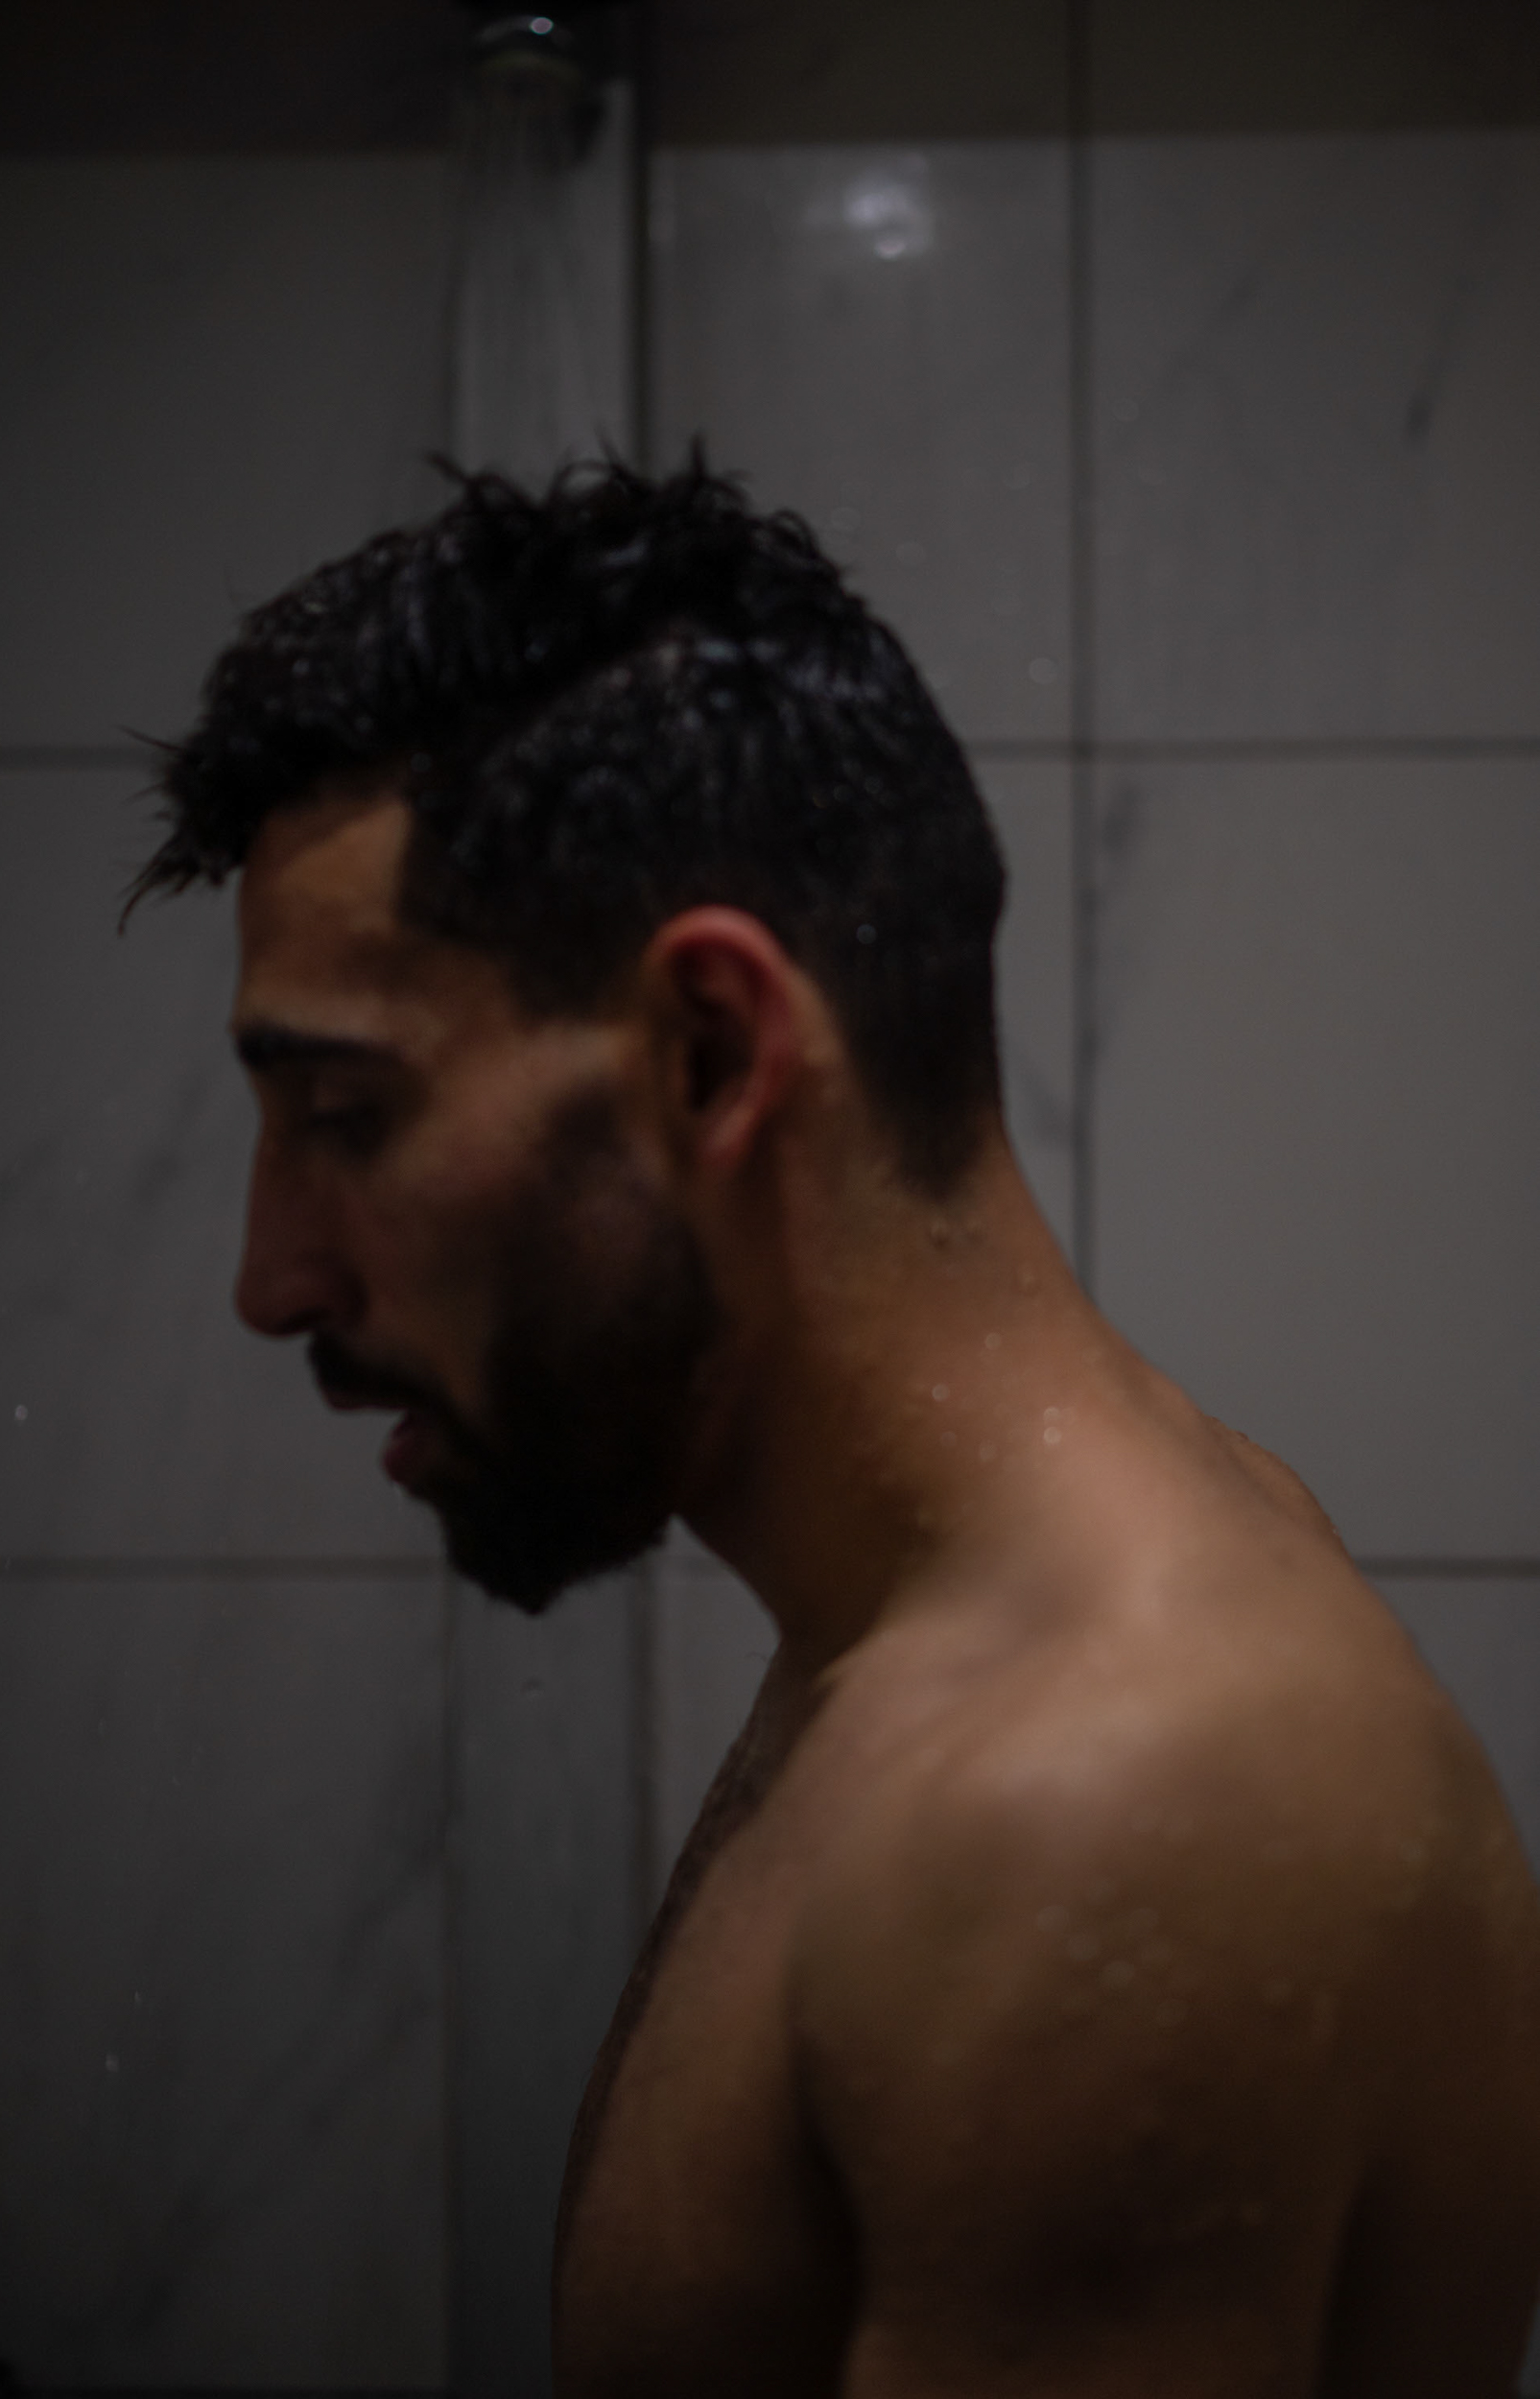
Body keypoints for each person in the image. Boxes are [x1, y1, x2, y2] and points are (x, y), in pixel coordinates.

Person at [136, 458, 1540, 2397]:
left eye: (349, 1116)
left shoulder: (1101, 1810)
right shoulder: (963, 1632)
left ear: (712, 1052)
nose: (270, 1276)